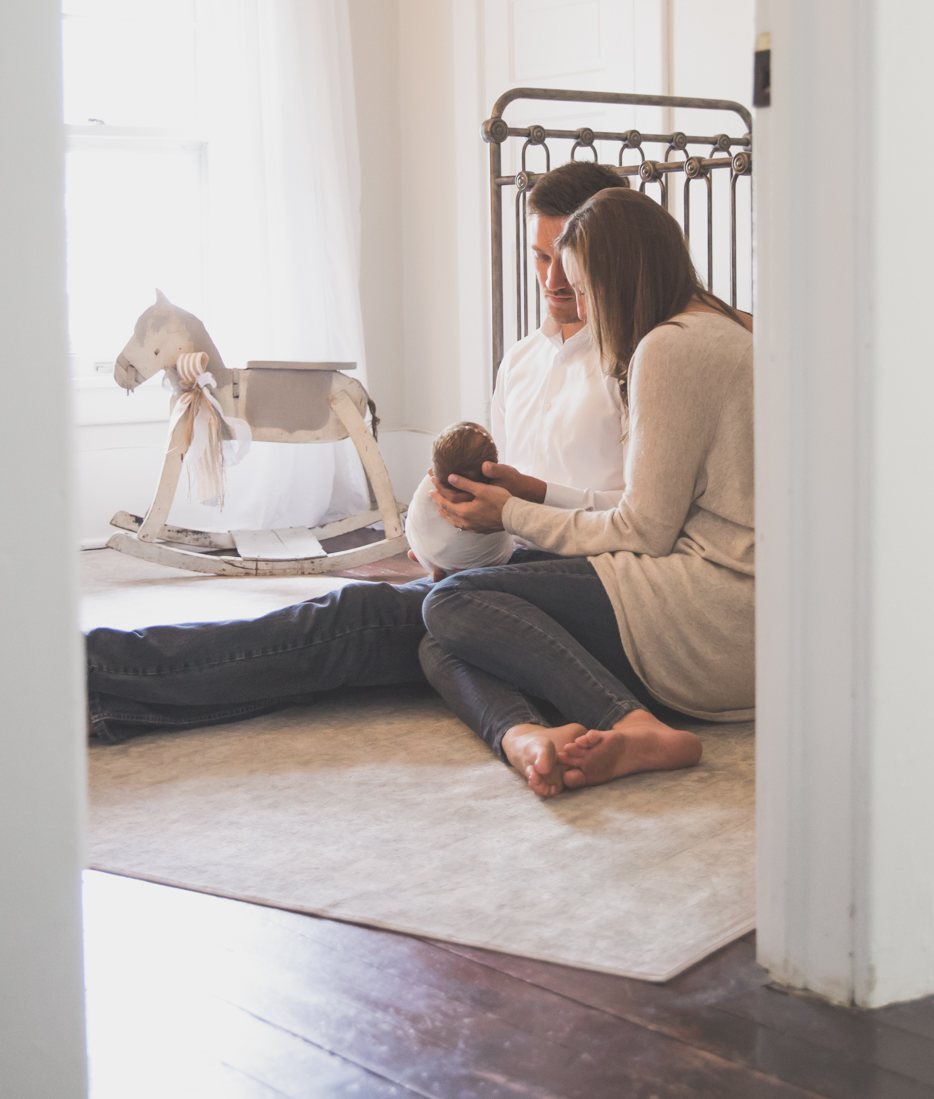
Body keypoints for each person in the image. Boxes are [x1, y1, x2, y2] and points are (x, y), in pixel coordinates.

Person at [84, 161, 632, 741]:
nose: (553, 281)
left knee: (357, 622)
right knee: (350, 639)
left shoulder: (637, 364)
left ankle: (95, 670)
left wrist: (519, 507)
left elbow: (645, 517)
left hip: (585, 580)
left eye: (568, 261)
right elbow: (502, 486)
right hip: (496, 569)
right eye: (541, 258)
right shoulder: (522, 361)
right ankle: (103, 694)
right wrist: (454, 517)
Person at [419, 188, 755, 798]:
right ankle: (525, 736)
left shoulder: (671, 346)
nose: (587, 311)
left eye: (586, 289)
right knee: (439, 635)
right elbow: (653, 513)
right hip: (748, 615)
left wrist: (512, 512)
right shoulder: (719, 331)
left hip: (717, 616)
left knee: (453, 605)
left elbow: (642, 533)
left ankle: (631, 722)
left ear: (618, 278)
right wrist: (538, 494)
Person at [403, 422, 515, 579]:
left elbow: (416, 515)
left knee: (421, 525)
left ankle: (438, 571)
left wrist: (426, 549)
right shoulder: (500, 492)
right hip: (486, 564)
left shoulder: (428, 485)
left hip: (427, 556)